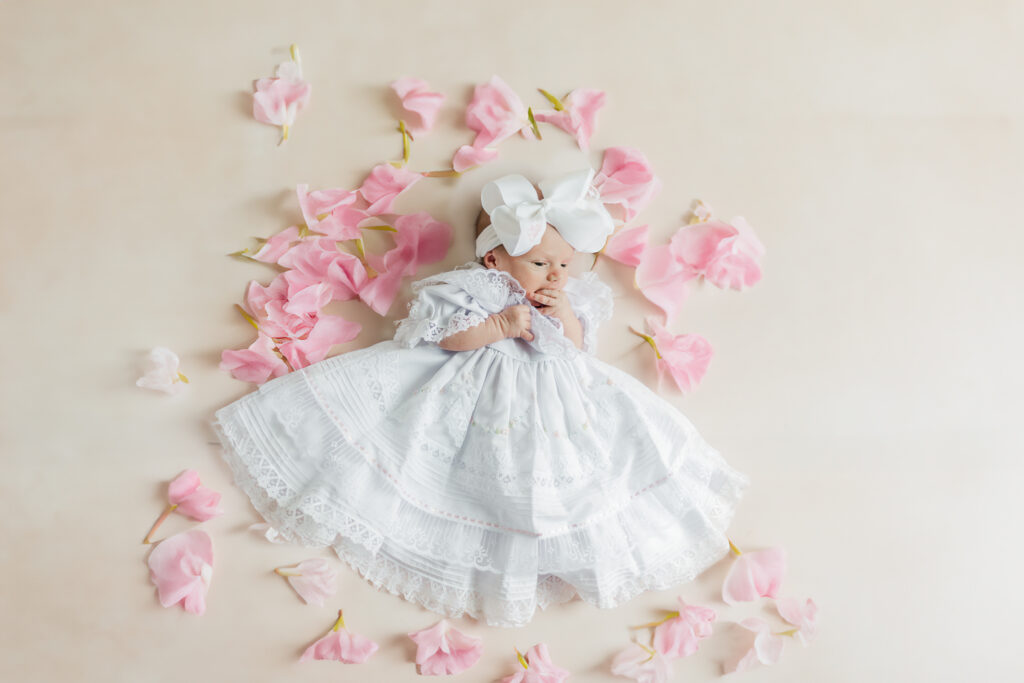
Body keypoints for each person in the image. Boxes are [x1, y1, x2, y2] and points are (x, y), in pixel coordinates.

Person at [214, 168, 747, 627]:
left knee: (573, 475)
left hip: (556, 405)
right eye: (540, 263)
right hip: (470, 391)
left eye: (564, 264)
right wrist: (501, 323)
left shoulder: (569, 298)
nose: (556, 274)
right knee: (449, 464)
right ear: (494, 259)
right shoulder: (474, 290)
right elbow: (448, 337)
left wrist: (557, 314)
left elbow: (576, 350)